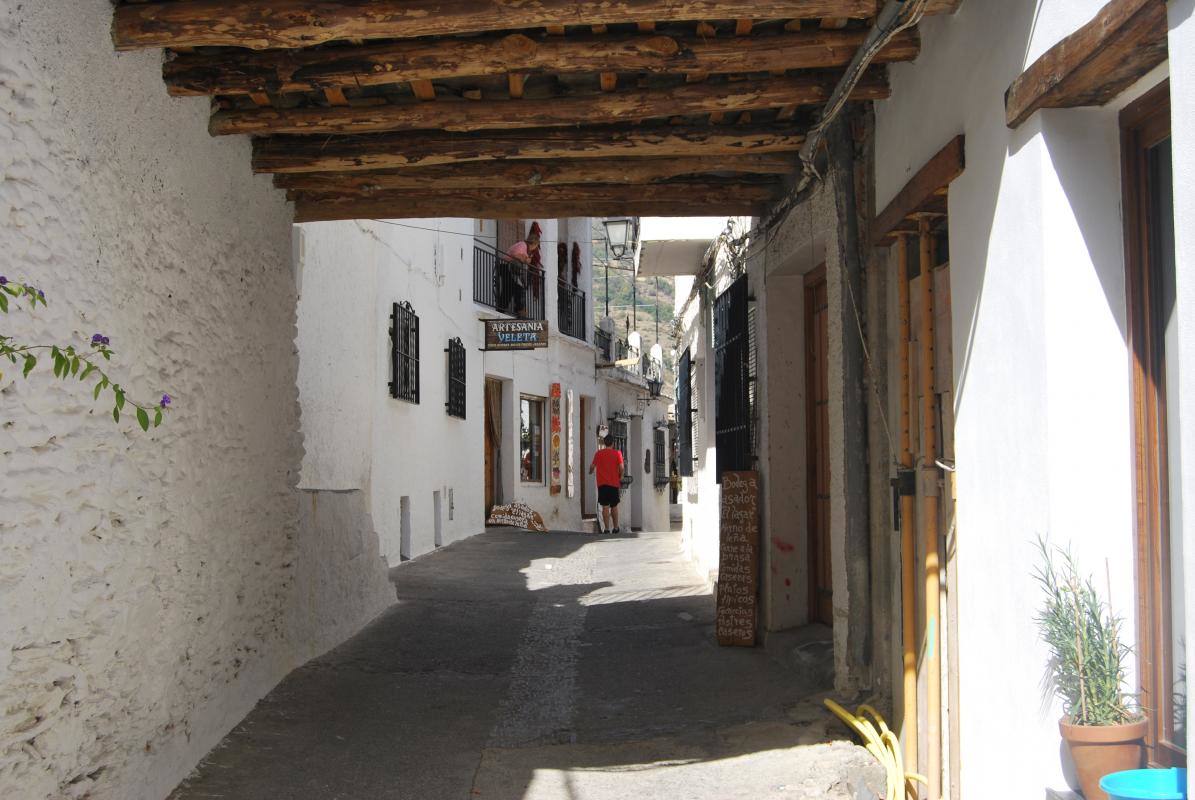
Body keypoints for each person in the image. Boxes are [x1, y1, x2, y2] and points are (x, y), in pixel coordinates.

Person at [589, 434, 624, 534]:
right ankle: (616, 527)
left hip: (602, 484)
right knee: (614, 506)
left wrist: (590, 471)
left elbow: (592, 466)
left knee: (605, 506)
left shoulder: (598, 454)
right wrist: (620, 477)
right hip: (614, 483)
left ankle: (607, 529)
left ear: (604, 443)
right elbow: (621, 468)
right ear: (613, 443)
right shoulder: (617, 453)